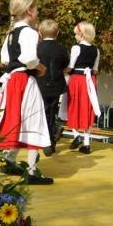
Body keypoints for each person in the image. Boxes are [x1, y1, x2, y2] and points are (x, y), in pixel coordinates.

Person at [0, 0, 53, 185]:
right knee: (34, 119)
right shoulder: (30, 32)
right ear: (28, 11)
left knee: (15, 119)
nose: (38, 11)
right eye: (36, 8)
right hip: (24, 79)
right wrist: (40, 68)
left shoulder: (10, 34)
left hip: (12, 80)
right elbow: (29, 59)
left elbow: (4, 60)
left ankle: (9, 161)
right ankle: (31, 171)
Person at [35, 19, 69, 156]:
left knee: (42, 112)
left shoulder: (37, 48)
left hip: (40, 84)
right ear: (58, 33)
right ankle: (51, 139)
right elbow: (65, 64)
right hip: (56, 84)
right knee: (52, 112)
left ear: (40, 33)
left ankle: (46, 140)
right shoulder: (62, 49)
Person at [66, 21, 101, 154]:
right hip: (90, 80)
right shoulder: (96, 50)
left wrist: (62, 71)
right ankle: (86, 144)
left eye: (76, 34)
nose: (75, 36)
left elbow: (71, 66)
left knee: (73, 106)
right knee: (87, 108)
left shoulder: (76, 48)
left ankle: (76, 135)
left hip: (77, 79)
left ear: (82, 34)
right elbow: (96, 70)